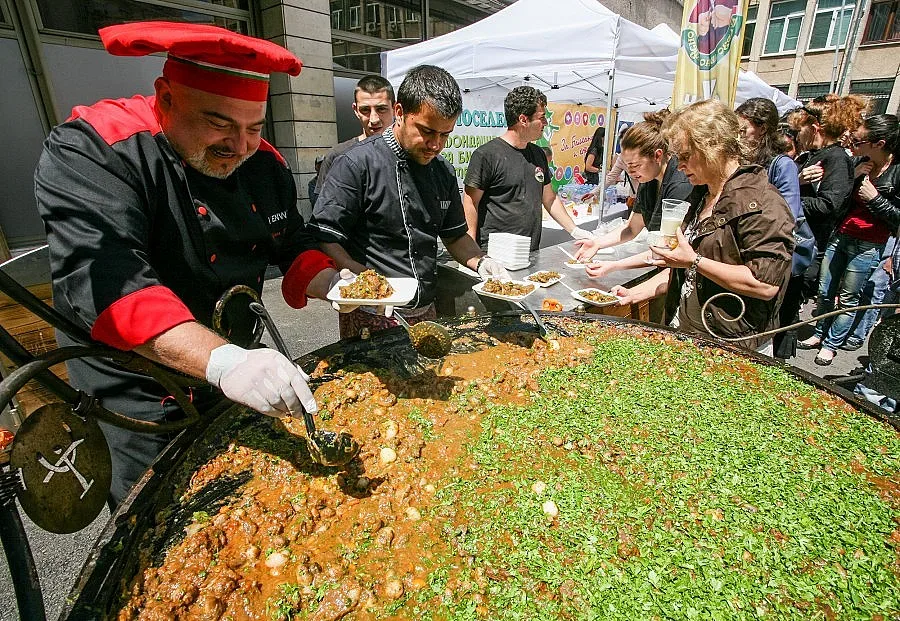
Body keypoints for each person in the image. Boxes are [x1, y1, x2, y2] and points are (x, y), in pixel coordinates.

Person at [34, 22, 342, 504]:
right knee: (160, 515)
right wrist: (225, 362)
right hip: (141, 388)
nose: (240, 146)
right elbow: (112, 283)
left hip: (240, 370)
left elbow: (289, 240)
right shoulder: (97, 150)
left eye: (254, 127)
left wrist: (338, 283)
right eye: (220, 123)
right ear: (166, 96)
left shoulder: (264, 163)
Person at [308, 65, 508, 338]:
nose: (435, 144)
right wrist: (362, 280)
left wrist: (483, 262)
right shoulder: (356, 164)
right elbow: (325, 237)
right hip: (371, 313)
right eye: (427, 131)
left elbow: (455, 236)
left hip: (426, 308)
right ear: (400, 113)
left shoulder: (443, 171)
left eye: (445, 135)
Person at [610, 99, 795, 353]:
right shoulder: (700, 195)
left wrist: (695, 261)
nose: (680, 165)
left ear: (714, 146)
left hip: (731, 343)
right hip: (688, 330)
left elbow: (765, 285)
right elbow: (683, 269)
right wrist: (636, 293)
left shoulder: (762, 202)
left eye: (685, 155)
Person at [799, 114, 900, 365]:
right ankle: (819, 333)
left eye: (859, 140)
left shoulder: (897, 172)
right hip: (841, 234)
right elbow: (836, 201)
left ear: (879, 143)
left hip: (869, 243)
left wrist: (875, 199)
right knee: (824, 290)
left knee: (848, 297)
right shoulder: (857, 162)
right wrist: (852, 177)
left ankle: (832, 344)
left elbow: (898, 218)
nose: (853, 144)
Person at [462, 86, 592, 252]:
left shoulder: (538, 154)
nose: (545, 123)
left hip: (531, 250)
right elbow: (470, 203)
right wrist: (470, 251)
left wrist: (575, 230)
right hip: (495, 253)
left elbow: (549, 198)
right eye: (542, 118)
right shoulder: (486, 155)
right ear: (523, 119)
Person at [736, 98, 813, 359]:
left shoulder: (782, 165)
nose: (739, 136)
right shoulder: (742, 161)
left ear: (763, 129)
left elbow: (786, 217)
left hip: (773, 256)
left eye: (743, 129)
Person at [573, 110, 693, 267]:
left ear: (657, 156)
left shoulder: (679, 184)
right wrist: (597, 243)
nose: (630, 172)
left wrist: (614, 266)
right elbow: (631, 227)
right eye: (627, 165)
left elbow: (666, 248)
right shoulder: (648, 180)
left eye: (635, 165)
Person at [789, 94, 867, 298]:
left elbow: (828, 205)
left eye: (800, 130)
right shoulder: (812, 155)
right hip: (796, 241)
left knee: (788, 309)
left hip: (806, 246)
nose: (798, 136)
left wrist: (790, 197)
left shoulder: (837, 159)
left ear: (815, 128)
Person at [314, 74, 395, 194]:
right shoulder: (337, 156)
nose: (374, 119)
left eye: (381, 109)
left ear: (395, 108)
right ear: (356, 110)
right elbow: (324, 209)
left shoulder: (411, 153)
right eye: (365, 110)